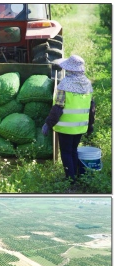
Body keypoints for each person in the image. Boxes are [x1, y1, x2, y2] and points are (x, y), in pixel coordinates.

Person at [42, 54, 95, 183]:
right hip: (80, 126)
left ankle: (70, 179)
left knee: (65, 152)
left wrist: (48, 124)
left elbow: (58, 108)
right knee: (73, 150)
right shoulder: (88, 84)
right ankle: (77, 175)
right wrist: (90, 126)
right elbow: (92, 107)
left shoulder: (64, 84)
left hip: (66, 127)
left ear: (69, 69)